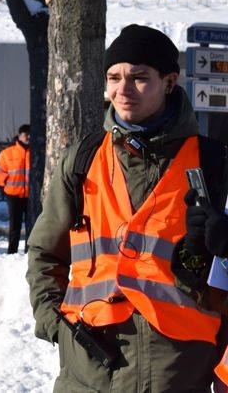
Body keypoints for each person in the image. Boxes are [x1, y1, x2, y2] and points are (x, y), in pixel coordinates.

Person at [27, 24, 228, 392]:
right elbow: (45, 252)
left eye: (139, 78)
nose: (123, 89)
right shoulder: (83, 160)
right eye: (114, 77)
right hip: (88, 370)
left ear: (169, 82)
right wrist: (54, 323)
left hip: (178, 372)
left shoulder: (215, 164)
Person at [0, 123, 30, 254]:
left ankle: (29, 251)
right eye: (26, 134)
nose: (28, 137)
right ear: (19, 136)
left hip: (31, 196)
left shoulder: (36, 153)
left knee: (32, 226)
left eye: (30, 134)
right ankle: (12, 251)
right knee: (15, 226)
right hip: (13, 195)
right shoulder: (7, 153)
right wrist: (5, 180)